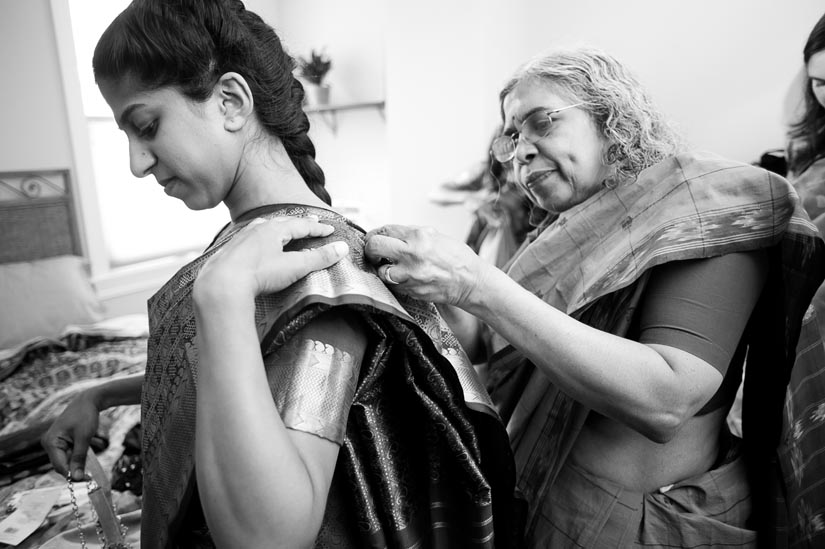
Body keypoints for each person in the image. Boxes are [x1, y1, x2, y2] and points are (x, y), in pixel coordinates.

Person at [40, 1, 520, 547]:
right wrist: (102, 395)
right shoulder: (257, 246)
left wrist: (220, 298)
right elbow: (226, 375)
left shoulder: (311, 267)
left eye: (147, 125)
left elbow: (266, 537)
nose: (136, 162)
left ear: (231, 101)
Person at [364, 47, 825, 547]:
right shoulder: (564, 233)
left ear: (611, 115)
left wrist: (477, 282)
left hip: (646, 523)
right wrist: (426, 287)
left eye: (541, 123)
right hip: (547, 503)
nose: (520, 151)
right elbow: (501, 343)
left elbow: (666, 399)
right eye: (512, 138)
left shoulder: (702, 207)